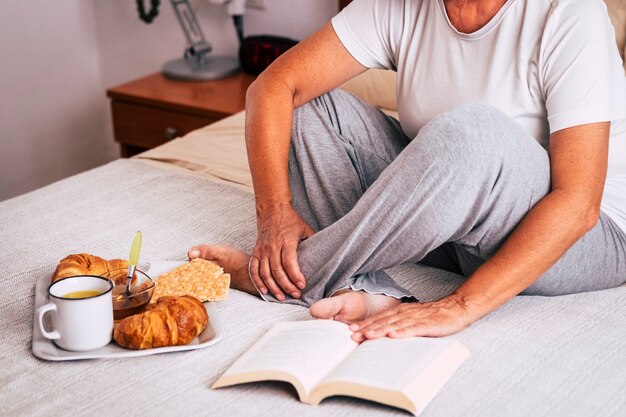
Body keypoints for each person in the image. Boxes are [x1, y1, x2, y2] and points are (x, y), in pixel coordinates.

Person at [189, 0, 626, 342]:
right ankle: (365, 289)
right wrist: (274, 213)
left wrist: (459, 306)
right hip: (456, 228)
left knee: (476, 129)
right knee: (311, 107)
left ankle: (288, 277)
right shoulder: (401, 5)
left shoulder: (569, 13)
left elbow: (579, 202)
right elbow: (272, 86)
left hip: (583, 235)